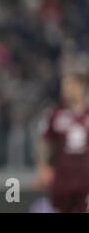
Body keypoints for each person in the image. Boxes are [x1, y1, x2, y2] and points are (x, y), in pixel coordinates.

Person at [34, 71, 89, 212]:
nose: (65, 89)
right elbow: (44, 141)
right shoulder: (55, 113)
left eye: (69, 85)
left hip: (86, 177)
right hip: (62, 178)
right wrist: (43, 166)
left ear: (81, 87)